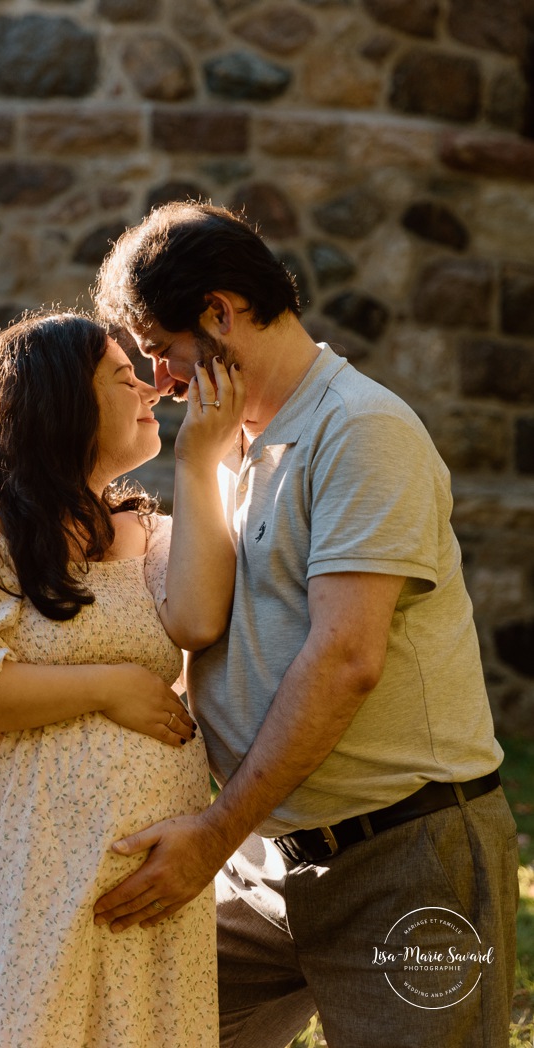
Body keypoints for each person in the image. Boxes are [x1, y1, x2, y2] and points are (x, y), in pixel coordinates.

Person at [91, 202, 520, 1048]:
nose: (163, 381)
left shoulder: (359, 431)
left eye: (163, 349)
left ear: (220, 312)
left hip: (405, 858)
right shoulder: (231, 446)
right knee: (126, 1025)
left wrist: (211, 834)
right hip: (265, 864)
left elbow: (345, 659)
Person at [0, 308, 244, 1048]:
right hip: (17, 857)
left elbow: (196, 623)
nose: (152, 390)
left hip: (140, 866)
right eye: (125, 376)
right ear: (62, 399)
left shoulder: (150, 532)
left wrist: (201, 461)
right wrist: (108, 686)